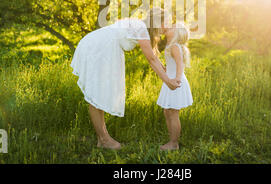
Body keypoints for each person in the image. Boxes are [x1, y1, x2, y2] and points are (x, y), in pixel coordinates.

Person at [70, 8, 180, 149]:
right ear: (158, 21)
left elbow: (153, 55)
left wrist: (164, 70)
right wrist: (167, 81)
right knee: (97, 92)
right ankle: (104, 140)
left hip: (104, 46)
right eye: (167, 22)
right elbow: (151, 59)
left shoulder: (142, 28)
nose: (169, 26)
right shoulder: (142, 28)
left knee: (100, 92)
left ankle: (102, 139)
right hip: (100, 47)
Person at [156, 22, 193, 151]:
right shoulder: (170, 46)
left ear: (176, 33)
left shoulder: (175, 47)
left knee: (173, 113)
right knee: (167, 112)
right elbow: (170, 66)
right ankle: (172, 139)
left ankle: (174, 143)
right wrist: (160, 65)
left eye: (172, 28)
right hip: (170, 80)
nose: (168, 28)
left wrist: (177, 78)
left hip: (175, 82)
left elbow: (180, 64)